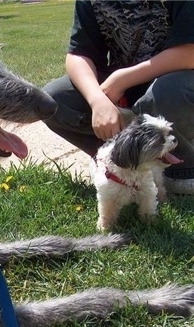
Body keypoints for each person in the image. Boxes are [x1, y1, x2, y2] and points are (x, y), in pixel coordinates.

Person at [43, 0, 194, 195]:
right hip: (122, 88)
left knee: (165, 95)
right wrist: (97, 100)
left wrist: (120, 80)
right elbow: (78, 54)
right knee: (52, 100)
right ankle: (116, 157)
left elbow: (188, 54)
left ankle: (182, 169)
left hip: (180, 79)